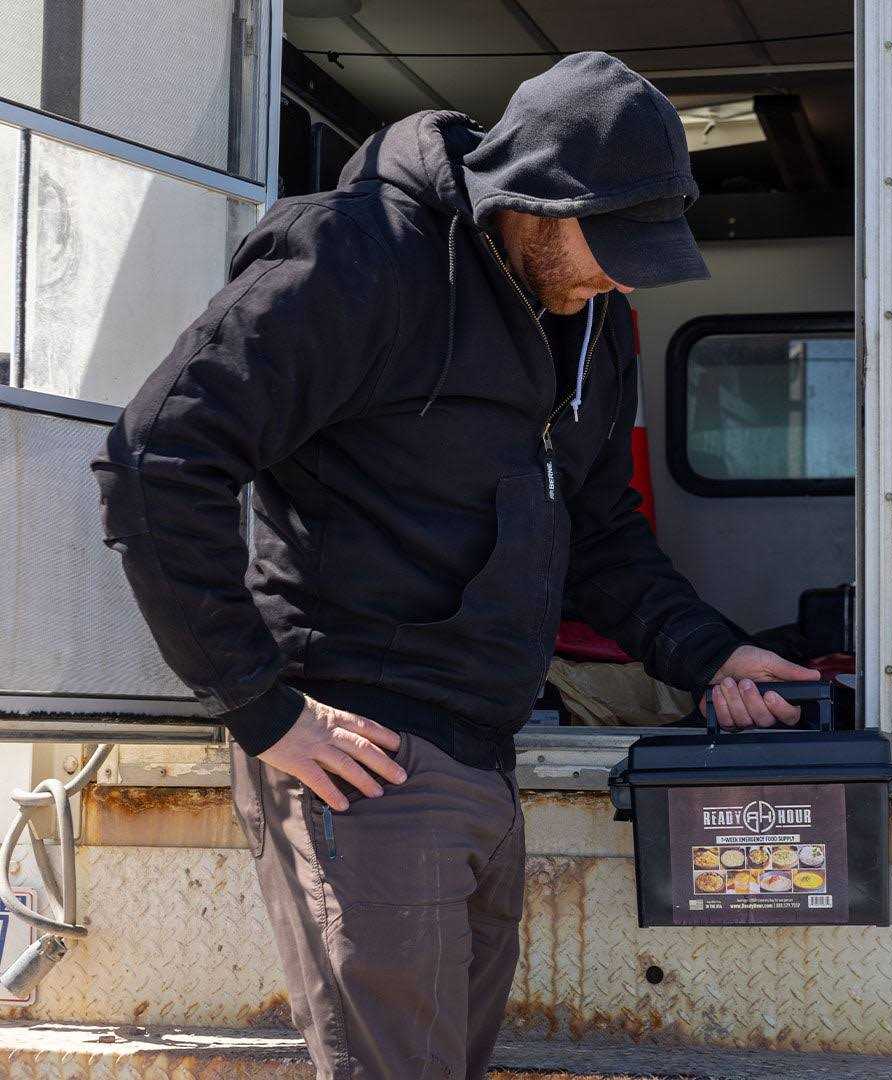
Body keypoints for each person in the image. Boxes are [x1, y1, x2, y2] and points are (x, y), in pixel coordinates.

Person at [91, 50, 819, 1080]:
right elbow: (158, 459)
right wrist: (261, 706)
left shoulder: (594, 321)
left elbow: (599, 531)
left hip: (484, 751)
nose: (623, 276)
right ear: (535, 196)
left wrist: (710, 656)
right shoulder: (358, 257)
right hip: (361, 748)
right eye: (613, 248)